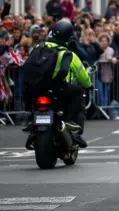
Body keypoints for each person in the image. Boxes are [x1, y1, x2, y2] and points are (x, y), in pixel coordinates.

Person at [23, 19, 93, 149]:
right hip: (58, 89)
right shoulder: (68, 54)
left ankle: (31, 122)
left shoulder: (39, 48)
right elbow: (82, 76)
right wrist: (89, 86)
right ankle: (76, 131)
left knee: (32, 99)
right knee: (79, 93)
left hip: (37, 88)